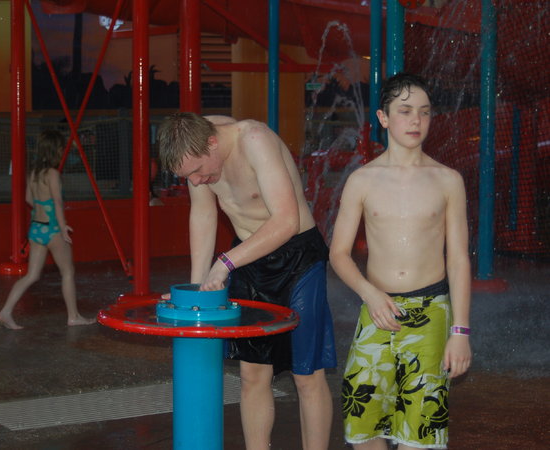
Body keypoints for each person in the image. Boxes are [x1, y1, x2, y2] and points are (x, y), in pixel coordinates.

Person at [158, 112, 337, 449]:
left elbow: (286, 220)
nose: (195, 181)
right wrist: (197, 290)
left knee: (306, 374)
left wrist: (225, 263)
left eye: (198, 171)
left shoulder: (255, 140)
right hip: (248, 259)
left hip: (297, 258)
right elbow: (204, 214)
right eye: (188, 176)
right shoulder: (192, 144)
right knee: (253, 374)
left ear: (213, 142)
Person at [329, 73, 472, 449]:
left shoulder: (447, 180)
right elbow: (338, 254)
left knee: (421, 434)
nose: (416, 121)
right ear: (383, 117)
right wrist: (370, 294)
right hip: (377, 310)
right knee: (363, 425)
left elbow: (458, 260)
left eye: (424, 112)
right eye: (405, 111)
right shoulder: (362, 180)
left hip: (431, 313)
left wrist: (460, 332)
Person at [0, 130, 95, 330]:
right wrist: (63, 226)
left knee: (31, 275)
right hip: (52, 229)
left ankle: (5, 311)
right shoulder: (53, 174)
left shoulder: (33, 173)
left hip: (36, 228)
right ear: (55, 150)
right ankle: (74, 316)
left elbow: (28, 199)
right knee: (68, 272)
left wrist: (42, 208)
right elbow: (58, 201)